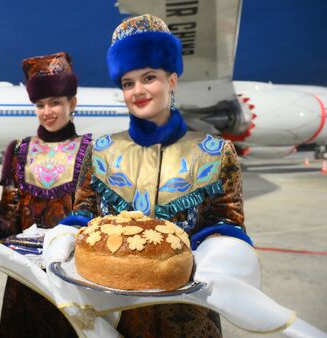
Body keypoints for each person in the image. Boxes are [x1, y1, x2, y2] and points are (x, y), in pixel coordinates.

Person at [70, 15, 252, 337]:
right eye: (128, 83)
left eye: (149, 77)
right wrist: (64, 237)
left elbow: (228, 225)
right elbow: (83, 216)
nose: (138, 91)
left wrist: (210, 255)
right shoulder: (101, 151)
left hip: (189, 318)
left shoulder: (213, 152)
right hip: (112, 317)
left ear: (172, 80)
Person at [0, 52, 91, 337]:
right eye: (40, 105)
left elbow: (95, 217)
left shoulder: (90, 150)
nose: (47, 111)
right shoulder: (20, 150)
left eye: (55, 103)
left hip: (72, 276)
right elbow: (8, 213)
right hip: (26, 279)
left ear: (71, 103)